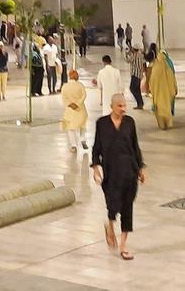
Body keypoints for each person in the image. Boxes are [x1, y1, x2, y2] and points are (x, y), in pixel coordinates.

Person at [91, 93, 146, 261]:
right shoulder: (102, 124)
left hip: (129, 171)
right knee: (112, 205)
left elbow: (135, 146)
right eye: (120, 106)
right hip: (111, 173)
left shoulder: (130, 123)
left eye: (124, 106)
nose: (123, 109)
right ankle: (110, 225)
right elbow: (96, 147)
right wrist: (95, 167)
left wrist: (141, 168)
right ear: (112, 107)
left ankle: (123, 246)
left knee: (127, 208)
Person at [148, 48, 177, 130]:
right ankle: (168, 123)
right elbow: (173, 79)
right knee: (167, 108)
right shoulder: (169, 66)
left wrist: (151, 89)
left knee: (159, 109)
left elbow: (152, 80)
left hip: (158, 94)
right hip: (167, 93)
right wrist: (174, 88)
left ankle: (162, 125)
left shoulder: (156, 67)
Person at [61, 69, 88, 152]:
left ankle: (73, 146)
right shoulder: (80, 85)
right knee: (82, 125)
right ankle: (83, 139)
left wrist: (70, 104)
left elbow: (64, 97)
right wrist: (78, 103)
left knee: (70, 128)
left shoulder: (65, 86)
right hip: (80, 109)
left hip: (70, 110)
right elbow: (84, 95)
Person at [126, 45, 145, 109]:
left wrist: (126, 54)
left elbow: (127, 60)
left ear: (133, 49)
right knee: (137, 89)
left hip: (135, 75)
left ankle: (140, 103)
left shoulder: (134, 56)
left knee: (132, 89)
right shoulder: (141, 56)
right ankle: (140, 104)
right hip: (139, 75)